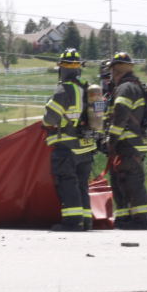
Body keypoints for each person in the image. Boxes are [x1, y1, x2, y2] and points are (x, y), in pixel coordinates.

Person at [41, 49, 96, 232]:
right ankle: (86, 221)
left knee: (67, 183)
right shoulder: (86, 89)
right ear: (79, 67)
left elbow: (49, 119)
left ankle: (73, 222)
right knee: (81, 185)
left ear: (62, 68)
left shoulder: (63, 90)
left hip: (67, 147)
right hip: (86, 147)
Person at [105, 52, 147, 230]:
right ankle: (124, 218)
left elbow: (120, 116)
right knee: (121, 182)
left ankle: (142, 220)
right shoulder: (133, 86)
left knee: (133, 183)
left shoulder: (125, 88)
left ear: (116, 70)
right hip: (127, 145)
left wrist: (111, 140)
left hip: (128, 145)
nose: (110, 75)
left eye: (111, 71)